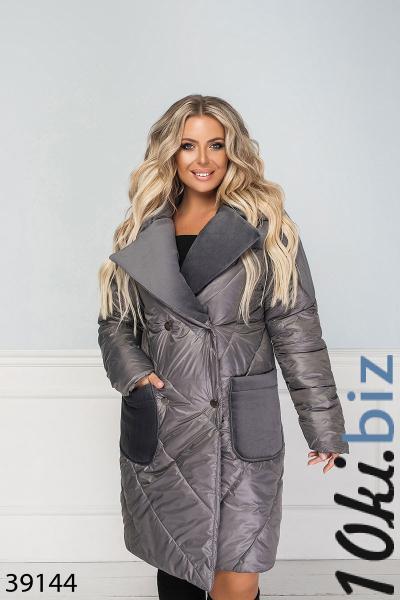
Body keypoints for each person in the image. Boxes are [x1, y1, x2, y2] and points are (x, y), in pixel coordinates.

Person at [97, 94, 349, 600]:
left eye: (216, 145)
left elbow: (298, 332)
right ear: (169, 152)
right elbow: (115, 323)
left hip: (238, 425)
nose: (204, 159)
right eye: (188, 145)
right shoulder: (140, 230)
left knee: (237, 574)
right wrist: (137, 375)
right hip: (166, 421)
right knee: (178, 566)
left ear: (234, 151)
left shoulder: (267, 229)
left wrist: (323, 426)